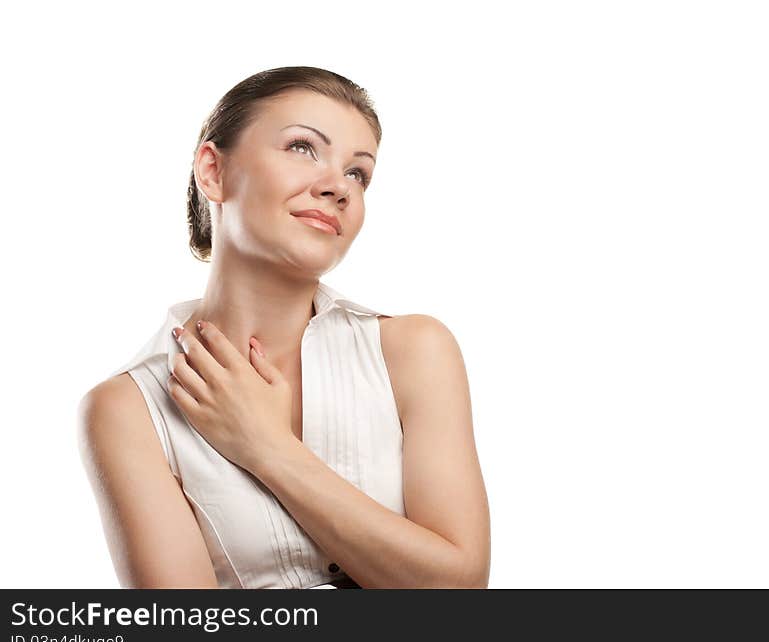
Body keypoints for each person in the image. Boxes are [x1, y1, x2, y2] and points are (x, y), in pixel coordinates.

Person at [77, 66, 491, 589]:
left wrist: (270, 448)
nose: (338, 187)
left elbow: (461, 591)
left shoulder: (415, 352)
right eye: (301, 147)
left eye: (358, 173)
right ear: (213, 171)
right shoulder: (129, 409)